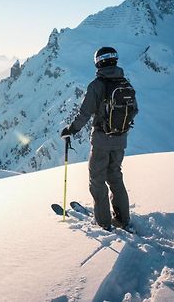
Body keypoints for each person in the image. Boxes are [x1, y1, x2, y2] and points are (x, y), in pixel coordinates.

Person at [60, 47, 138, 231]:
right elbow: (134, 110)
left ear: (98, 62)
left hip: (102, 141)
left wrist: (71, 130)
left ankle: (103, 223)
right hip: (121, 140)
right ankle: (123, 219)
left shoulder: (97, 85)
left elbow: (84, 113)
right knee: (115, 177)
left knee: (97, 180)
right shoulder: (125, 83)